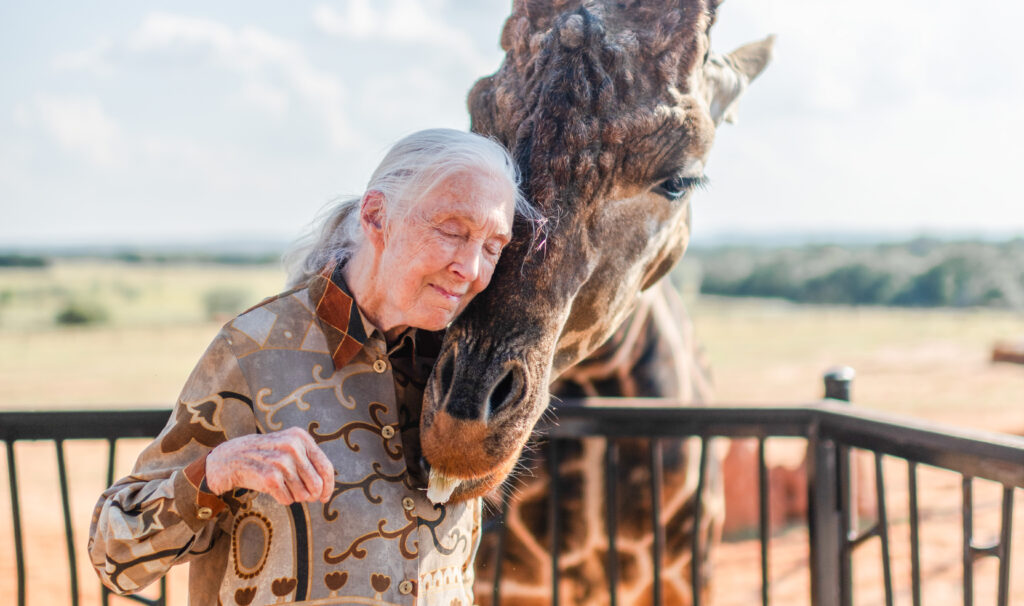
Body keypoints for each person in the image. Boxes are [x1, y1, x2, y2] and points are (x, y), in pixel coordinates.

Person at [88, 129, 536, 606]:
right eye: (452, 230)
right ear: (376, 217)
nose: (470, 268)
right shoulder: (254, 350)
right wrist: (218, 471)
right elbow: (114, 553)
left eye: (492, 246)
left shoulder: (466, 363)